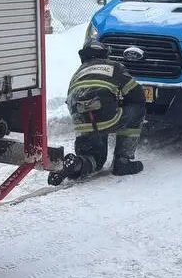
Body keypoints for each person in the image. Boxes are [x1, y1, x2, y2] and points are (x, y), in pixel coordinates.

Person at [62, 40, 146, 179]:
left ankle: (78, 164)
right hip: (107, 118)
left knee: (95, 159)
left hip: (82, 122)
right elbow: (137, 95)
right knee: (137, 110)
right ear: (105, 54)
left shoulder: (77, 73)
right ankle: (122, 161)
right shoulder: (114, 67)